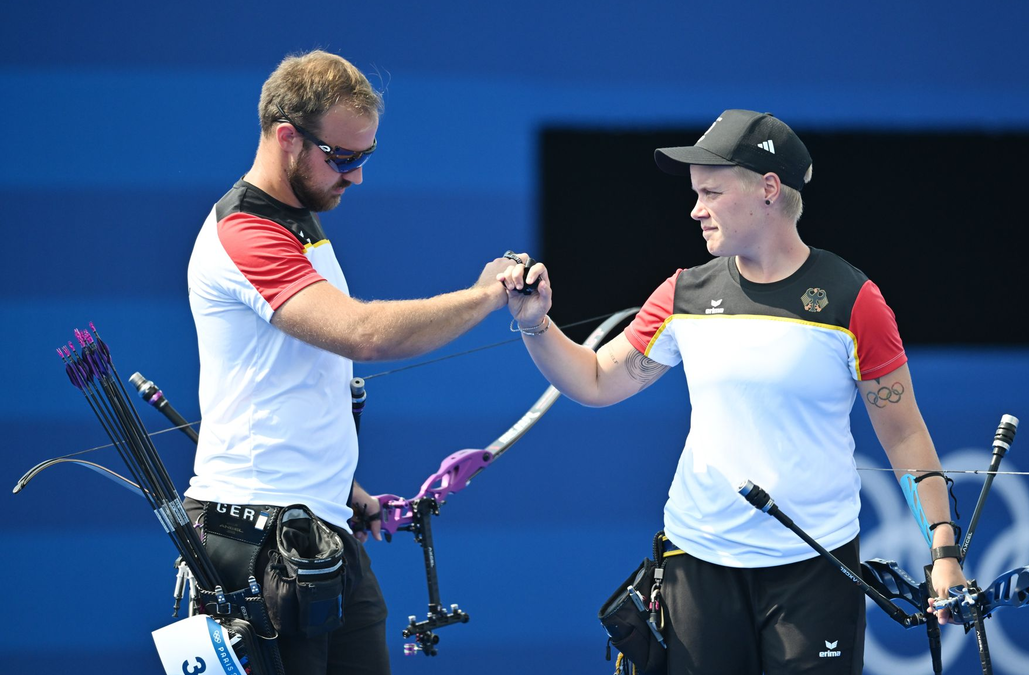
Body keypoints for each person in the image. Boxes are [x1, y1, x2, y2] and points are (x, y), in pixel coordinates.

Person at [500, 110, 967, 674]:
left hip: (816, 568)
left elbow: (906, 435)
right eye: (696, 193)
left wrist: (943, 551)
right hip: (697, 562)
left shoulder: (853, 300)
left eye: (711, 192)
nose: (696, 209)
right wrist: (535, 322)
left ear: (769, 189)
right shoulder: (683, 292)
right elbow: (596, 380)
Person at [183, 49, 523, 675]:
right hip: (256, 548)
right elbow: (361, 334)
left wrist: (345, 491)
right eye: (342, 158)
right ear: (287, 138)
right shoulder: (245, 233)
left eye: (365, 158)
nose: (357, 176)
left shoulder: (300, 221)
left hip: (322, 527)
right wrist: (486, 295)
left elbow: (293, 381)